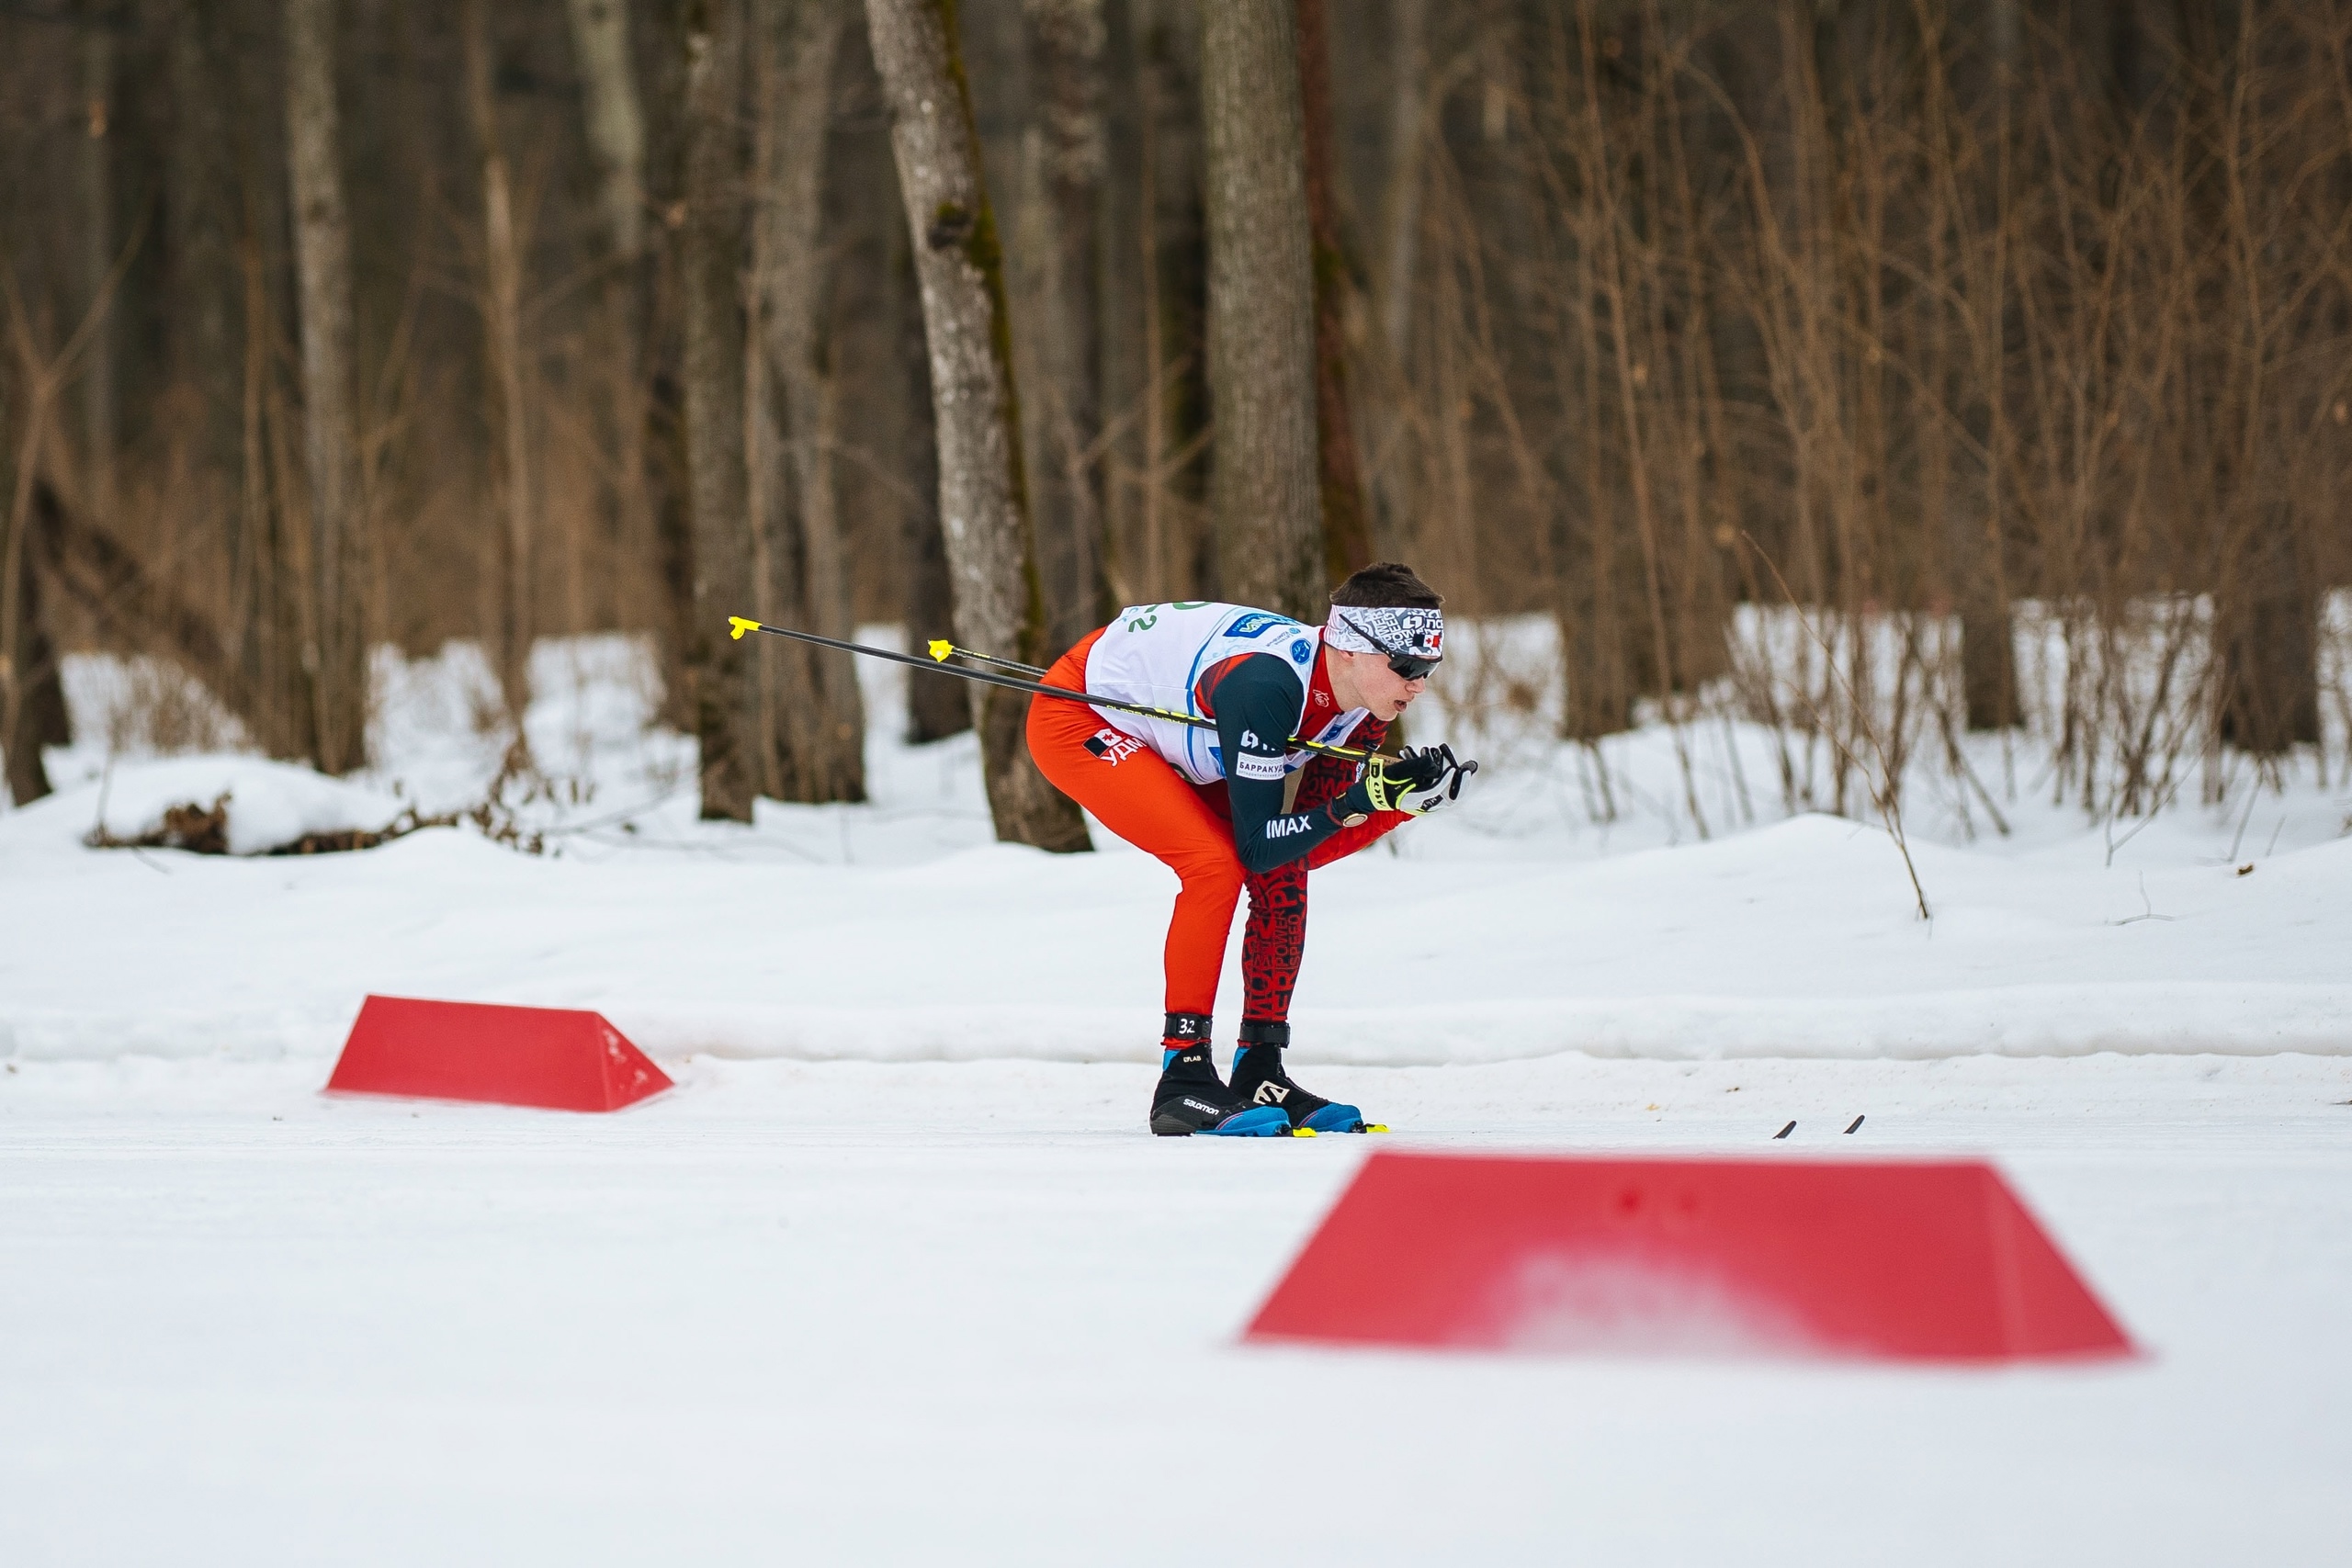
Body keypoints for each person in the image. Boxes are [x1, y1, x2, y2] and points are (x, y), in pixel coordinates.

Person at [1026, 562, 1477, 1136]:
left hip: (1199, 728)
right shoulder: (1267, 687)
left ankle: (1260, 1067)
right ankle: (1183, 1077)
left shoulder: (1365, 707)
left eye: (1428, 668)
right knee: (1213, 866)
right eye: (1407, 665)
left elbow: (1297, 849)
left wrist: (1396, 805)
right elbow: (1262, 845)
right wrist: (1360, 801)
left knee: (1278, 876)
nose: (1418, 684)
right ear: (1348, 649)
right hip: (1081, 711)